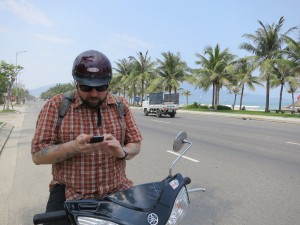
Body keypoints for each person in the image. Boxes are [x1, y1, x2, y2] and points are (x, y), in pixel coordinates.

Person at [31, 50, 143, 225]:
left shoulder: (120, 105)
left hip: (116, 191)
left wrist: (121, 152)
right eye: (86, 87)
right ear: (76, 82)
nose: (94, 94)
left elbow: (135, 143)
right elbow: (37, 155)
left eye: (100, 88)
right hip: (69, 192)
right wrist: (74, 147)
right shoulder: (56, 105)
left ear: (109, 83)